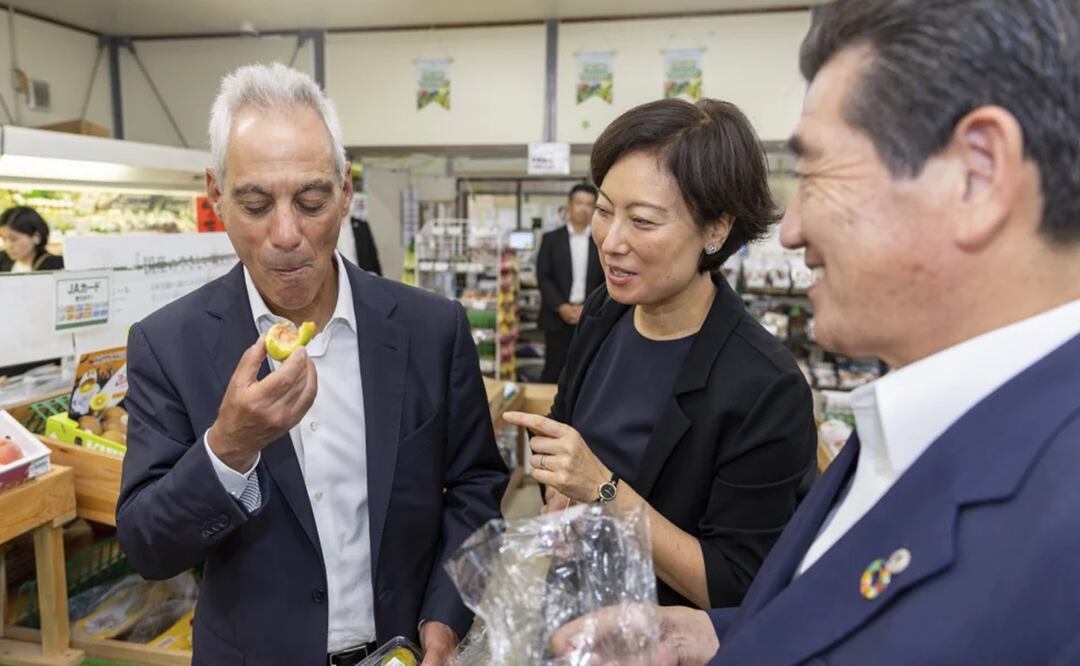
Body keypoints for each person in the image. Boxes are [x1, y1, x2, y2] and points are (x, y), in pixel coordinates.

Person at [552, 1, 1080, 663]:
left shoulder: (1055, 506)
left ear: (978, 173)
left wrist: (606, 493)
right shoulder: (905, 428)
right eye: (606, 211)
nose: (793, 229)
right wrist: (715, 633)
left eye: (818, 173)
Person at [116, 63, 509, 666]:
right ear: (216, 194)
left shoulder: (431, 329)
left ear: (345, 191)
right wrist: (229, 447)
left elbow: (475, 488)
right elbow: (149, 547)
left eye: (311, 201)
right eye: (255, 204)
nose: (286, 234)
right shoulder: (169, 345)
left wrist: (446, 617)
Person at [504, 98, 817, 612]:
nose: (611, 241)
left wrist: (603, 491)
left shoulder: (764, 385)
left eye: (643, 221)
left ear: (715, 230)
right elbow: (565, 430)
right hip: (572, 613)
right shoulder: (606, 311)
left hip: (663, 635)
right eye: (604, 211)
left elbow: (738, 583)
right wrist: (559, 496)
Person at [536, 184, 604, 383]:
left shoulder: (602, 241)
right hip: (557, 317)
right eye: (579, 203)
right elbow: (543, 276)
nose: (584, 208)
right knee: (554, 370)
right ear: (569, 206)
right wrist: (561, 306)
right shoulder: (551, 239)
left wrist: (588, 306)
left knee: (588, 371)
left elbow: (606, 279)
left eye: (589, 204)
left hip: (591, 316)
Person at [0, 206, 63, 271]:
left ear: (36, 237)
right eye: (4, 239)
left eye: (14, 239)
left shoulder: (56, 266)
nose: (8, 246)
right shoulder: (2, 260)